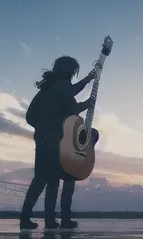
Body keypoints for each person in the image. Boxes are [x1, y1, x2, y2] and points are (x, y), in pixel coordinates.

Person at [19, 56, 96, 230]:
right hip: (52, 139)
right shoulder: (61, 86)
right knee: (47, 180)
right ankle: (40, 219)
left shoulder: (51, 86)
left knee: (47, 178)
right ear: (70, 70)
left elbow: (70, 92)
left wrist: (88, 79)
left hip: (43, 137)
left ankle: (41, 219)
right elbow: (72, 107)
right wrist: (87, 104)